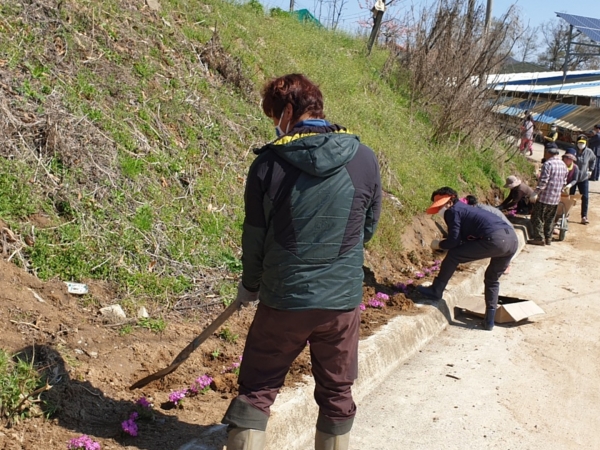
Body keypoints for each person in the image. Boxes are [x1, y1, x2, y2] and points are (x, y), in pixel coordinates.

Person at [222, 74, 382, 450]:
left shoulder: (268, 164)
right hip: (340, 303)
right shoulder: (364, 158)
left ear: (289, 111)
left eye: (274, 116)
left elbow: (255, 238)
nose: (275, 125)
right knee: (337, 392)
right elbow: (367, 228)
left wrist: (250, 284)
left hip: (284, 301)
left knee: (257, 390)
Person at [416, 187, 518, 331]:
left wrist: (439, 244)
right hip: (512, 240)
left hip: (495, 239)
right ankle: (489, 320)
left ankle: (436, 290)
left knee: (453, 255)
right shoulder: (466, 210)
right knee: (492, 279)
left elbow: (454, 241)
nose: (439, 210)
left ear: (450, 201)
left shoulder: (453, 211)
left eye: (440, 206)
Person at [528, 145, 568, 246]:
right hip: (555, 199)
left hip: (544, 198)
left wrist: (535, 193)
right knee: (550, 219)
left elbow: (543, 182)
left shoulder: (548, 164)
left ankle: (539, 238)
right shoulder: (563, 165)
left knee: (537, 217)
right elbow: (564, 183)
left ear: (548, 153)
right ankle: (548, 238)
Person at [570, 135, 596, 225]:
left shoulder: (589, 152)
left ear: (586, 143)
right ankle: (565, 215)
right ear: (576, 143)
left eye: (583, 143)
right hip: (572, 178)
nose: (581, 145)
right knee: (570, 196)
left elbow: (593, 159)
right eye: (579, 143)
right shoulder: (573, 151)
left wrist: (591, 170)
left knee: (585, 197)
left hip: (583, 178)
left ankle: (584, 216)